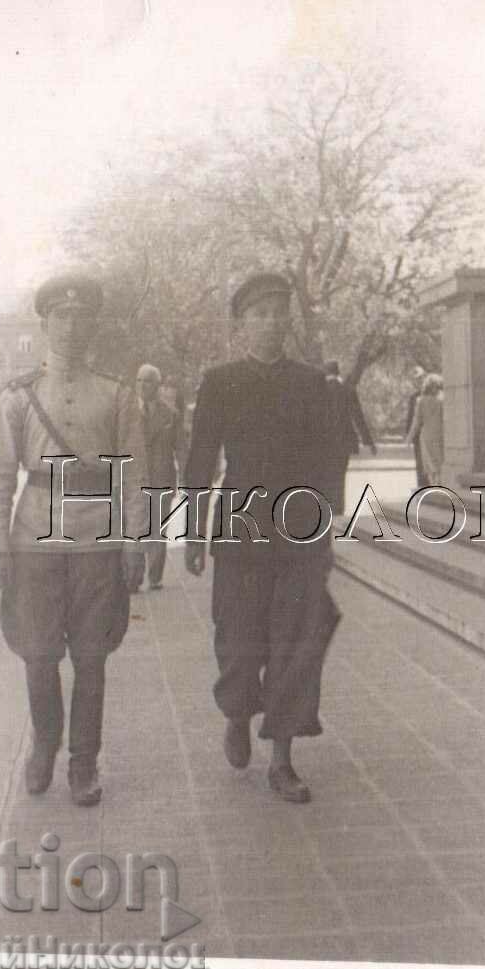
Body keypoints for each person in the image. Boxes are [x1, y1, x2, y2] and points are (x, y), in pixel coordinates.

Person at [0, 271, 147, 807]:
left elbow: (135, 474)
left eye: (82, 316)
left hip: (99, 543)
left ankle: (83, 761)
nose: (72, 326)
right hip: (35, 542)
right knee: (38, 656)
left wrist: (136, 541)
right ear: (46, 322)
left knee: (93, 659)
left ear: (93, 323)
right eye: (61, 316)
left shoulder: (117, 394)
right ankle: (44, 746)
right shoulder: (19, 396)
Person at [183, 272, 341, 804]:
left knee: (296, 645)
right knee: (238, 641)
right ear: (240, 324)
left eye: (279, 312)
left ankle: (282, 759)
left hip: (298, 532)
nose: (272, 322)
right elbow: (201, 460)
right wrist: (191, 534)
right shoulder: (220, 381)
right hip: (241, 528)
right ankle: (236, 712)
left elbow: (329, 461)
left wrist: (326, 532)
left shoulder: (312, 382)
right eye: (260, 313)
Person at [134, 363, 181, 590]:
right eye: (139, 381)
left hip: (161, 479)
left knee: (157, 529)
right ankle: (133, 576)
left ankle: (155, 577)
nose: (143, 386)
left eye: (148, 381)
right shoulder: (127, 412)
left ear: (157, 385)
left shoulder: (170, 415)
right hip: (134, 480)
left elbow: (181, 449)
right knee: (134, 527)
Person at [323, 360, 377, 515]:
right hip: (343, 440)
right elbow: (358, 416)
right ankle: (338, 509)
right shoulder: (347, 390)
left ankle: (327, 508)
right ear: (338, 372)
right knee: (340, 475)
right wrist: (369, 441)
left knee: (325, 474)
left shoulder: (318, 390)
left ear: (326, 373)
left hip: (323, 441)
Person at [407, 372, 444, 484]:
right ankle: (439, 484)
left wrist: (409, 437)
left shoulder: (421, 401)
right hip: (440, 434)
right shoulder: (442, 401)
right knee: (439, 462)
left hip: (426, 435)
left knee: (428, 463)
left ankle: (433, 486)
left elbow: (416, 421)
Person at [404, 366, 427, 488]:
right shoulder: (413, 397)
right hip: (417, 436)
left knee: (428, 463)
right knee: (419, 463)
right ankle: (421, 488)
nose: (418, 381)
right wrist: (409, 434)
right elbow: (410, 416)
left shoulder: (431, 394)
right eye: (416, 380)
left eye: (420, 378)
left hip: (429, 434)